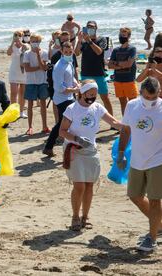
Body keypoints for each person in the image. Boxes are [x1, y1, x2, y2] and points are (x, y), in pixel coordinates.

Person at [59, 80, 122, 232]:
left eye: (95, 94)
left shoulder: (97, 108)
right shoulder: (72, 108)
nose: (93, 97)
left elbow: (113, 122)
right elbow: (62, 131)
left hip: (91, 151)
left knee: (89, 185)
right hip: (75, 150)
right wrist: (77, 139)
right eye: (90, 94)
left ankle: (85, 217)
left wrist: (129, 127)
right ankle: (75, 216)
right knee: (79, 185)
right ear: (82, 93)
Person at [118, 77, 162, 252]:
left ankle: (152, 238)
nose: (150, 101)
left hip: (158, 160)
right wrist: (121, 153)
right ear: (141, 92)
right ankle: (158, 222)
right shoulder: (132, 106)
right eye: (147, 97)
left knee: (154, 200)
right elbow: (126, 129)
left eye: (154, 97)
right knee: (134, 195)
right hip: (137, 159)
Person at [43, 42, 78, 157]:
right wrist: (75, 91)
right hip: (62, 99)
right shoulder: (59, 66)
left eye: (70, 51)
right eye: (66, 52)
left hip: (69, 97)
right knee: (68, 122)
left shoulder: (70, 62)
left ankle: (48, 147)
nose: (68, 54)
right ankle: (68, 146)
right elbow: (59, 88)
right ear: (61, 52)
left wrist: (76, 84)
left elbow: (71, 76)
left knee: (62, 123)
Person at [75, 21, 113, 117]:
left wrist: (89, 41)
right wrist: (79, 40)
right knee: (84, 97)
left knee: (105, 98)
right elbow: (76, 53)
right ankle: (84, 118)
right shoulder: (83, 41)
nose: (90, 28)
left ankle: (112, 121)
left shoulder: (102, 39)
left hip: (99, 73)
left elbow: (99, 52)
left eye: (92, 27)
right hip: (86, 73)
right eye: (88, 27)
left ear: (96, 28)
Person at [47, 31, 79, 124]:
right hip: (59, 89)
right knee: (63, 119)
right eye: (63, 40)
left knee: (69, 118)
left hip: (70, 91)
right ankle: (57, 124)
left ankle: (60, 129)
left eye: (68, 39)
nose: (68, 53)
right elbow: (53, 76)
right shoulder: (56, 57)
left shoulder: (71, 56)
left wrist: (77, 83)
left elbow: (73, 71)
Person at [23, 33, 50, 135]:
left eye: (37, 41)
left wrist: (38, 56)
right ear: (30, 42)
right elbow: (27, 69)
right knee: (30, 104)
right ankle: (30, 127)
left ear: (40, 42)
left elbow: (45, 68)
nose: (35, 43)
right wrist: (40, 67)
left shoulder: (44, 52)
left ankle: (45, 126)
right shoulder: (27, 53)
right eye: (33, 41)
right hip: (30, 82)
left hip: (42, 81)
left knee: (43, 104)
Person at [108, 27, 138, 115]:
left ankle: (134, 124)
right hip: (118, 80)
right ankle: (125, 123)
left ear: (128, 37)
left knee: (133, 104)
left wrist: (116, 64)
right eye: (120, 35)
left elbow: (129, 64)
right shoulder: (116, 50)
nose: (121, 36)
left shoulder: (132, 49)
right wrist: (122, 64)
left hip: (129, 80)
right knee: (123, 103)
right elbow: (109, 65)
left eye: (124, 35)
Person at [8, 31, 28, 119]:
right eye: (16, 35)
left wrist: (20, 42)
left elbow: (27, 50)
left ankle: (21, 111)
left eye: (19, 35)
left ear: (22, 36)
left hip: (23, 72)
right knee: (13, 92)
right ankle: (13, 112)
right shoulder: (11, 46)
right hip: (14, 71)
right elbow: (8, 53)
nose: (17, 37)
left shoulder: (25, 45)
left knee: (22, 92)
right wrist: (13, 41)